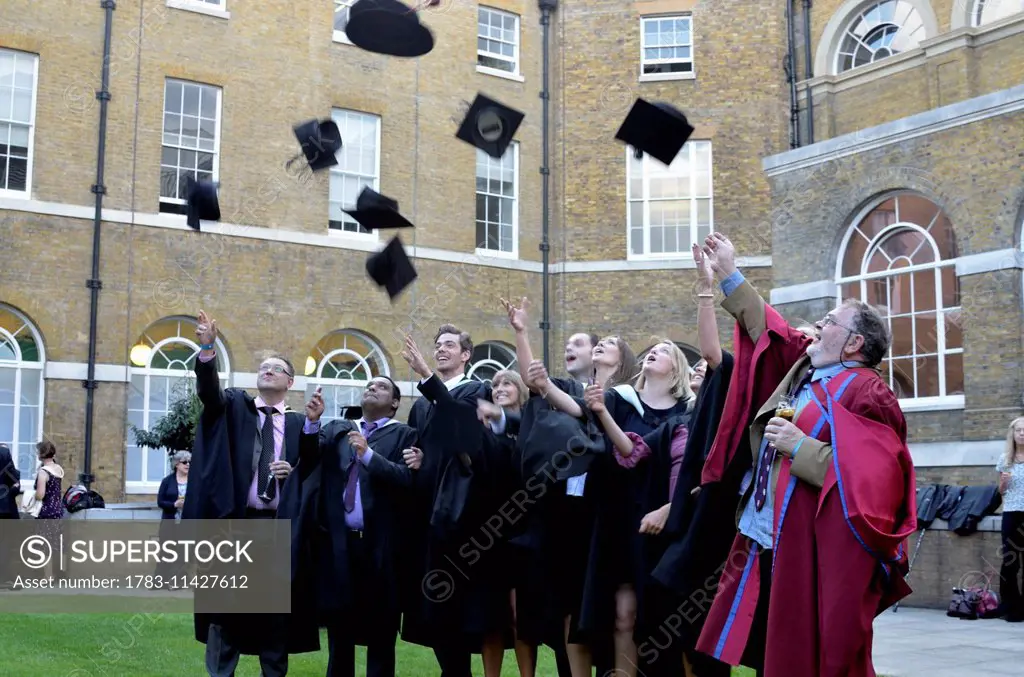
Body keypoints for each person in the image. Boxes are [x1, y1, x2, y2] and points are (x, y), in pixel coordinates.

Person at [695, 232, 917, 677]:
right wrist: (726, 272)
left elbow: (879, 481)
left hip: (812, 546)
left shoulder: (868, 392)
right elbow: (768, 328)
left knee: (807, 648)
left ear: (854, 343)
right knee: (769, 645)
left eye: (829, 321)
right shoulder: (806, 368)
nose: (817, 326)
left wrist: (801, 448)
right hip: (765, 532)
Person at [183, 309, 319, 677]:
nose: (267, 370)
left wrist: (292, 473)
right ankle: (220, 674)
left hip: (277, 531)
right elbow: (208, 392)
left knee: (274, 614)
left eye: (275, 368)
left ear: (289, 381)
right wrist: (208, 348)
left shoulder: (296, 426)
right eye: (263, 366)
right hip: (235, 527)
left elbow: (313, 476)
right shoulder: (234, 409)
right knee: (225, 612)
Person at [295, 376, 419, 677]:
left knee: (381, 633)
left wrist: (368, 455)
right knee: (340, 633)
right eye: (369, 385)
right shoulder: (339, 429)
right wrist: (312, 424)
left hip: (381, 549)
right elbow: (309, 460)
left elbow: (407, 479)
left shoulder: (406, 436)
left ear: (394, 403)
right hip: (340, 546)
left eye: (381, 386)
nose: (372, 388)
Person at [399, 325, 494, 677]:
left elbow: (463, 429)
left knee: (454, 602)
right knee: (430, 605)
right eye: (437, 345)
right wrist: (418, 458)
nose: (441, 350)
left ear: (466, 355)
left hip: (459, 514)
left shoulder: (477, 391)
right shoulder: (422, 406)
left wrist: (425, 374)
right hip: (424, 512)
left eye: (450, 346)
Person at [476, 369, 535, 677]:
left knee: (520, 616)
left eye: (507, 383)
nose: (499, 388)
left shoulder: (532, 425)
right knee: (492, 617)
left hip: (524, 529)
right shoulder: (483, 432)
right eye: (495, 384)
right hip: (489, 532)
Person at [997, 416, 1024, 622]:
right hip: (1012, 512)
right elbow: (1001, 492)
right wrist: (1004, 483)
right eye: (1018, 430)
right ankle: (1010, 606)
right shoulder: (1005, 459)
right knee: (1010, 561)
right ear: (1013, 434)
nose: (1022, 433)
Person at [156, 451, 191, 582]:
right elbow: (160, 502)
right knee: (166, 551)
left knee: (182, 553)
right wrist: (174, 504)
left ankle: (177, 581)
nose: (188, 464)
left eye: (189, 462)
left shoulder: (194, 481)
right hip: (170, 522)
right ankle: (160, 581)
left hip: (186, 523)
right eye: (184, 462)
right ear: (176, 464)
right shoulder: (167, 481)